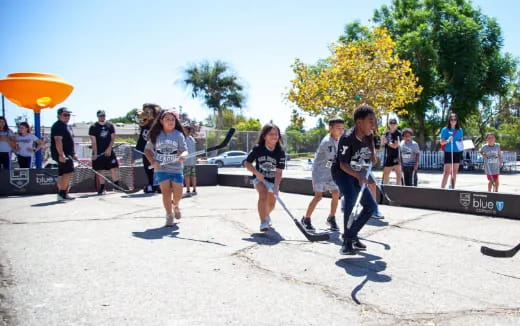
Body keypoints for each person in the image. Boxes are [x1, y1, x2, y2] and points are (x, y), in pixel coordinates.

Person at [332, 105, 378, 255]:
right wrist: (359, 176)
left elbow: (370, 146)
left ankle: (351, 235)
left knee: (370, 206)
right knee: (351, 198)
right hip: (342, 172)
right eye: (370, 120)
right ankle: (346, 243)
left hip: (358, 172)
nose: (373, 124)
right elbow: (343, 164)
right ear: (359, 122)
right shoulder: (347, 138)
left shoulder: (369, 135)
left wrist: (373, 155)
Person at [144, 109, 188, 227]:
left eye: (173, 119)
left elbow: (184, 151)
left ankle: (175, 205)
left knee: (178, 192)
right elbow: (147, 150)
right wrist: (153, 161)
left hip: (176, 168)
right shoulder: (156, 135)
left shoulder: (178, 135)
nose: (170, 121)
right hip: (161, 168)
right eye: (167, 119)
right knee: (166, 192)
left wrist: (183, 156)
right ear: (161, 121)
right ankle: (169, 215)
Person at [301, 118, 344, 232]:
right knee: (318, 196)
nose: (341, 131)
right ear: (330, 128)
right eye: (338, 128)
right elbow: (332, 160)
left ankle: (331, 218)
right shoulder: (327, 142)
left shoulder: (338, 140)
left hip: (330, 173)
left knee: (335, 193)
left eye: (342, 128)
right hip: (319, 174)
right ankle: (306, 219)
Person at [244, 124, 286, 232]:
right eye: (271, 134)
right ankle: (263, 222)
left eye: (276, 134)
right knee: (263, 194)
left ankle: (266, 215)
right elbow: (247, 163)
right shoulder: (258, 149)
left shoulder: (280, 152)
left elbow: (279, 172)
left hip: (272, 180)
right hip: (259, 178)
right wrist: (256, 172)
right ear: (264, 136)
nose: (274, 136)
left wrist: (276, 186)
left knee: (272, 204)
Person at [89, 110, 120, 195]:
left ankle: (116, 186)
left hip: (109, 151)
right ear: (97, 116)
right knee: (100, 170)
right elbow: (93, 141)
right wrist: (95, 153)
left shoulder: (110, 125)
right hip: (99, 152)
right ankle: (102, 188)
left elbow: (113, 138)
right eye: (100, 116)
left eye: (103, 115)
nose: (102, 117)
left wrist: (109, 148)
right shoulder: (93, 127)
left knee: (114, 168)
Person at [50, 107, 77, 201]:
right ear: (59, 115)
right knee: (68, 172)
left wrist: (73, 153)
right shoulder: (58, 126)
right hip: (63, 155)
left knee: (62, 174)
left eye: (68, 115)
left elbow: (69, 141)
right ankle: (62, 193)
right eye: (65, 115)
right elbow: (58, 140)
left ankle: (63, 193)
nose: (67, 117)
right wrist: (61, 155)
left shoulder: (66, 126)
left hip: (68, 154)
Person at [136, 103, 161, 193]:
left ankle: (158, 184)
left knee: (157, 167)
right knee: (148, 167)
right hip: (145, 147)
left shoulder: (158, 122)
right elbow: (139, 120)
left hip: (156, 148)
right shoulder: (144, 121)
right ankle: (151, 184)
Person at [440, 112, 464, 189]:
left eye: (455, 119)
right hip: (448, 152)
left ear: (457, 121)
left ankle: (452, 187)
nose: (453, 120)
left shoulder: (460, 130)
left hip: (457, 152)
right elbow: (441, 142)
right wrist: (448, 140)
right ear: (449, 120)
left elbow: (461, 141)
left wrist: (464, 145)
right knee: (446, 172)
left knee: (454, 172)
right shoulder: (445, 130)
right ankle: (442, 188)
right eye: (451, 119)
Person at [368, 125, 385, 219]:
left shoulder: (376, 137)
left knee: (372, 184)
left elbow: (376, 152)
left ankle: (373, 209)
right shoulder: (357, 134)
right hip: (354, 164)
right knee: (356, 186)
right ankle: (344, 201)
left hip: (366, 165)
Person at [381, 118, 402, 185]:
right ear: (389, 125)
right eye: (391, 123)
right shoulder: (387, 133)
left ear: (396, 125)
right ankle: (385, 188)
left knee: (398, 174)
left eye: (394, 123)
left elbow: (395, 146)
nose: (392, 125)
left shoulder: (398, 133)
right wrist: (384, 133)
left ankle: (398, 188)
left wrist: (387, 142)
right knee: (386, 174)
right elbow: (382, 143)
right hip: (389, 156)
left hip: (396, 156)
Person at [182, 125, 197, 197]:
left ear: (187, 130)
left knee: (187, 176)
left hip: (187, 161)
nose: (182, 131)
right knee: (193, 175)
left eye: (184, 130)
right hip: (192, 161)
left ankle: (188, 191)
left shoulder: (184, 139)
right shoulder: (192, 139)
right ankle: (194, 190)